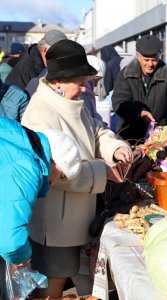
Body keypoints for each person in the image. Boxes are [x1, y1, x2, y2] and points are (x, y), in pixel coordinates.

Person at [21, 39, 134, 298]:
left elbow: (95, 130)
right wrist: (102, 171)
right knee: (52, 287)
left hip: (76, 217)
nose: (85, 88)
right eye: (80, 81)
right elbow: (57, 172)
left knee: (67, 281)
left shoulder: (72, 104)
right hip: (55, 225)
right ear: (59, 80)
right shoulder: (39, 113)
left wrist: (114, 148)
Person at [0, 117, 82, 299]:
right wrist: (22, 259)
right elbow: (10, 241)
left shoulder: (16, 138)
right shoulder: (27, 166)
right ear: (53, 161)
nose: (53, 182)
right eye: (60, 175)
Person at [112, 34, 167, 143]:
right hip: (129, 136)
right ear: (138, 57)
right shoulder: (125, 75)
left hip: (160, 138)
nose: (150, 64)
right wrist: (139, 112)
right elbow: (119, 102)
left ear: (159, 56)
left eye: (154, 60)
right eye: (146, 60)